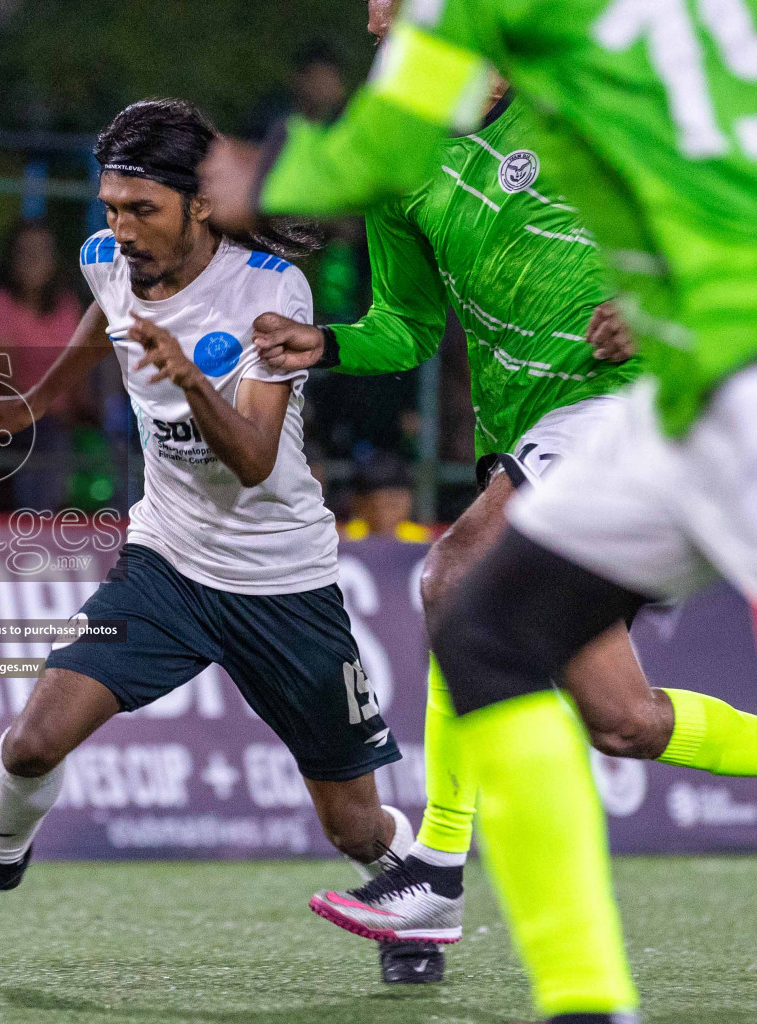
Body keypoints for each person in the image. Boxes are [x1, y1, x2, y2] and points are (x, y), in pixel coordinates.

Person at [200, 0, 757, 1020]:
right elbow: (407, 327)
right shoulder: (410, 143)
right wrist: (327, 342)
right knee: (620, 719)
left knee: (460, 580)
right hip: (588, 436)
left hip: (648, 396)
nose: (378, 20)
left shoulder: (577, 71)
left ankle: (437, 874)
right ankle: (567, 980)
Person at [0, 99, 411, 901]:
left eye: (143, 210)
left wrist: (190, 377)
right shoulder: (110, 259)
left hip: (281, 581)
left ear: (200, 204)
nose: (123, 230)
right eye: (111, 209)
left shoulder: (272, 293)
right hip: (166, 563)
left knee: (353, 827)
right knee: (32, 742)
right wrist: (31, 402)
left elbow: (253, 457)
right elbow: (106, 314)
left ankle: (412, 889)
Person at [0, 220, 87, 509]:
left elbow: (79, 371)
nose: (34, 260)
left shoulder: (67, 305)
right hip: (14, 418)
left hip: (62, 420)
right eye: (25, 252)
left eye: (42, 252)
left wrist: (83, 412)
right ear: (11, 259)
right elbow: (3, 379)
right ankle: (34, 527)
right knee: (41, 436)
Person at [341, 451, 428, 544]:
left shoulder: (418, 540)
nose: (385, 516)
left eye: (393, 506)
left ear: (408, 501)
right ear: (359, 505)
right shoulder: (348, 539)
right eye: (375, 507)